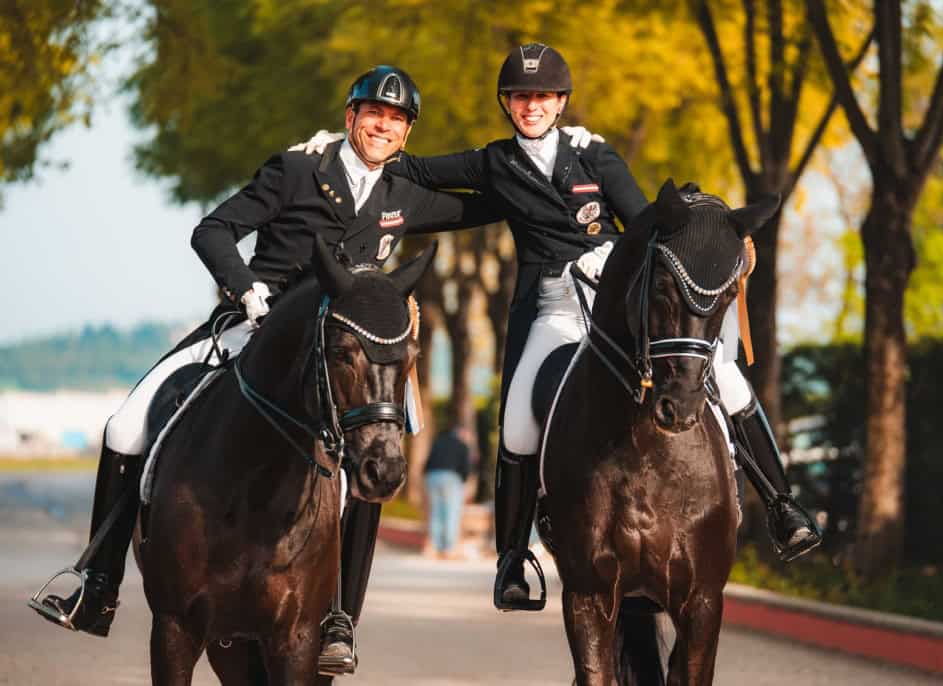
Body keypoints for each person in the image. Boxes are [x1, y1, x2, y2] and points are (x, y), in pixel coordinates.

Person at [298, 43, 821, 612]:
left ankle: (782, 506)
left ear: (560, 102)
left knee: (729, 377)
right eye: (521, 97)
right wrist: (332, 148)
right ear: (507, 103)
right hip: (554, 307)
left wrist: (668, 242)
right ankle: (513, 559)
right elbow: (413, 168)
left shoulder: (593, 153)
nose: (532, 106)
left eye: (543, 97)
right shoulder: (494, 162)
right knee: (519, 424)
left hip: (615, 298)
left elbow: (643, 220)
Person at [30, 65, 500, 676]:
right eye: (374, 114)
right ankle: (98, 584)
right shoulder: (297, 170)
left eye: (396, 120)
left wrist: (547, 169)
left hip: (338, 352)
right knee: (125, 423)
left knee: (378, 443)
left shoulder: (402, 193)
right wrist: (247, 289)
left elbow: (487, 204)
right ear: (351, 116)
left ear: (406, 133)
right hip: (258, 328)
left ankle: (340, 617)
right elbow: (214, 230)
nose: (384, 126)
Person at [422, 425, 474, 559]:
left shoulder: (439, 441)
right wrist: (465, 482)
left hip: (432, 477)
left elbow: (427, 462)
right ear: (462, 433)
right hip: (451, 478)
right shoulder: (462, 445)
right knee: (452, 513)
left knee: (436, 512)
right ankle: (449, 549)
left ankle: (435, 547)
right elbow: (466, 468)